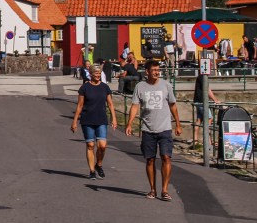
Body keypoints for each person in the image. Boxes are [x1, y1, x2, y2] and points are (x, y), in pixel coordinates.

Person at [125, 60, 183, 201]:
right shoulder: (140, 87)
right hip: (148, 128)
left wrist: (178, 123)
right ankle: (152, 189)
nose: (157, 72)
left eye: (158, 70)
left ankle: (164, 190)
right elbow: (135, 106)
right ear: (147, 71)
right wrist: (129, 124)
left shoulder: (166, 85)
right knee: (150, 160)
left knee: (166, 157)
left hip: (165, 128)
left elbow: (173, 105)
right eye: (154, 70)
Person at [71, 63, 118, 180]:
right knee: (90, 145)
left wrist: (114, 118)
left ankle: (99, 164)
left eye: (99, 73)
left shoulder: (105, 87)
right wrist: (75, 121)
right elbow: (80, 106)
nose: (98, 75)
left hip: (101, 119)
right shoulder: (84, 88)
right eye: (96, 73)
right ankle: (92, 170)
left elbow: (110, 104)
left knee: (102, 145)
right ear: (91, 74)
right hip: (87, 119)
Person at [192, 73, 221, 144]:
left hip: (198, 101)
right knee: (209, 119)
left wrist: (214, 99)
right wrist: (215, 100)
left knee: (199, 120)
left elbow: (208, 89)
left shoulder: (201, 77)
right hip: (202, 102)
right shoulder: (203, 77)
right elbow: (207, 89)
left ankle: (195, 139)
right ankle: (208, 141)